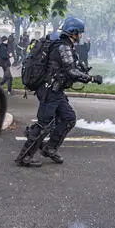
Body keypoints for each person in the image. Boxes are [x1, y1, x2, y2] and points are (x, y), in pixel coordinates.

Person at [14, 17, 102, 167]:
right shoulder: (63, 47)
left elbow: (68, 69)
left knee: (68, 118)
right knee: (44, 124)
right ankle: (24, 157)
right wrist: (91, 78)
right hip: (50, 91)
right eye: (79, 33)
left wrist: (82, 72)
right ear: (73, 32)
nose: (80, 36)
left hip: (56, 90)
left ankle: (50, 148)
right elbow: (71, 71)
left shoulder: (65, 46)